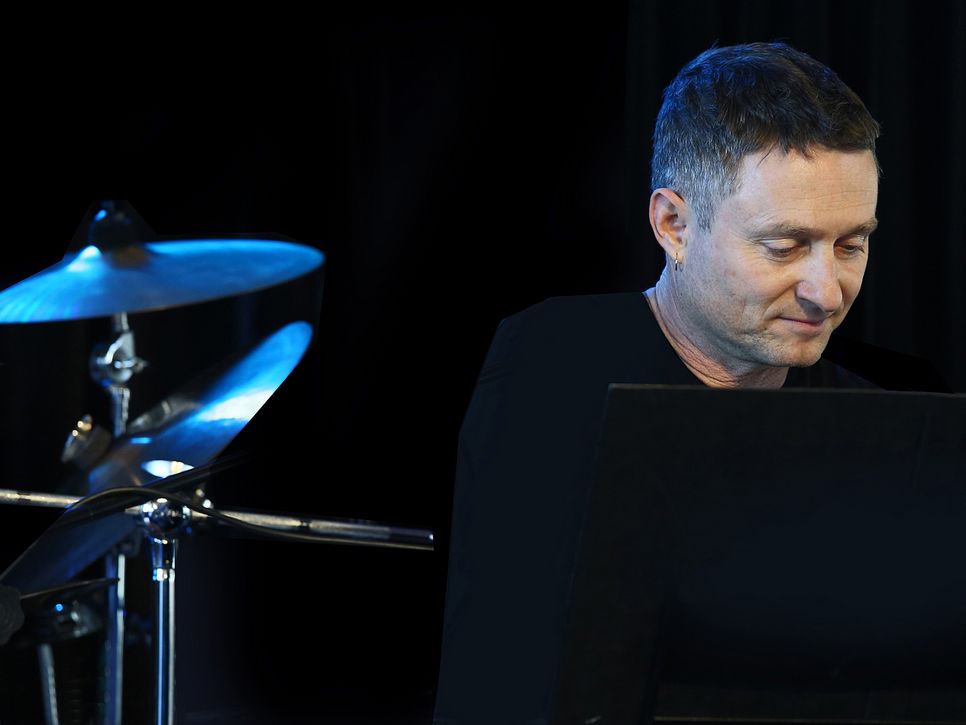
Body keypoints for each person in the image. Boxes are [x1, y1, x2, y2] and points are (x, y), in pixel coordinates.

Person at [434, 42, 881, 724]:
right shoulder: (550, 365)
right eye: (784, 246)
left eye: (851, 245)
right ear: (674, 225)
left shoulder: (873, 423)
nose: (827, 292)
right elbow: (505, 670)